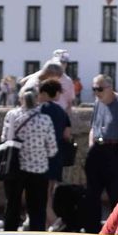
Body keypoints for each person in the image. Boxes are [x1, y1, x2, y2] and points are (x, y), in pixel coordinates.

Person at [0, 87, 58, 232]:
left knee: (12, 205)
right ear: (36, 100)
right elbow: (52, 149)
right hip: (38, 170)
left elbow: (4, 139)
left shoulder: (12, 115)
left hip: (14, 167)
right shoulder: (44, 119)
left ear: (21, 99)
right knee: (37, 208)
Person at [85, 74, 118, 232]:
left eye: (99, 89)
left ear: (109, 87)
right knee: (92, 192)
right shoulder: (97, 103)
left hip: (114, 148)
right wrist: (92, 146)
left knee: (116, 192)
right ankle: (92, 228)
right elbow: (93, 127)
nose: (96, 92)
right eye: (94, 89)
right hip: (98, 148)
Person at [38, 78, 73, 223]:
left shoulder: (40, 109)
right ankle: (49, 219)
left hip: (40, 156)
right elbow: (67, 134)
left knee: (41, 192)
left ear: (44, 93)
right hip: (56, 155)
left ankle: (52, 220)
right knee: (50, 190)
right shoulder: (61, 111)